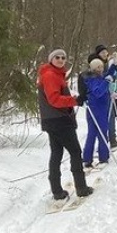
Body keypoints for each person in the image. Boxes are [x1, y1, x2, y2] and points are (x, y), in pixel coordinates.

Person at [37, 49, 93, 200]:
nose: (61, 60)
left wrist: (73, 98)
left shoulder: (55, 74)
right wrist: (74, 101)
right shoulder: (50, 75)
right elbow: (54, 99)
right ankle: (81, 187)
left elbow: (59, 96)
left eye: (63, 57)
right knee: (75, 151)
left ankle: (56, 190)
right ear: (51, 60)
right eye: (57, 57)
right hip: (59, 121)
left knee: (57, 153)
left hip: (53, 120)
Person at [83, 58, 112, 168]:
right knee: (101, 132)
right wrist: (107, 82)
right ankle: (102, 157)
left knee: (94, 133)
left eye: (101, 67)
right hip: (97, 109)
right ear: (94, 68)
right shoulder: (93, 79)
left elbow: (108, 76)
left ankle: (87, 158)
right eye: (98, 67)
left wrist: (113, 65)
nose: (101, 69)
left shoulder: (99, 77)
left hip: (99, 108)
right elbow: (98, 92)